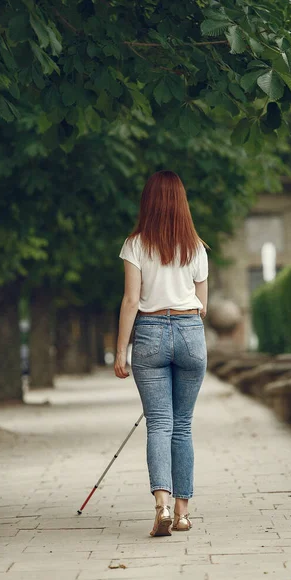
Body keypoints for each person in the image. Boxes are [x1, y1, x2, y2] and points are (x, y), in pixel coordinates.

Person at [114, 170, 208, 537]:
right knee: (182, 426)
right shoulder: (197, 247)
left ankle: (162, 506)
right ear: (182, 203)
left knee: (159, 424)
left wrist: (120, 350)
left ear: (147, 201)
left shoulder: (135, 244)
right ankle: (184, 514)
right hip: (189, 332)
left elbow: (131, 300)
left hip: (150, 333)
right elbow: (202, 306)